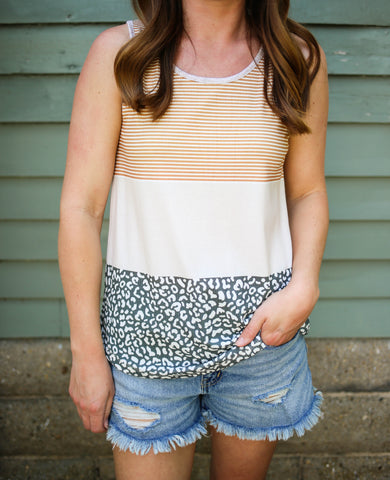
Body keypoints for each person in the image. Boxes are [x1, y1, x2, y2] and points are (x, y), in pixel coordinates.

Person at [58, 0, 329, 478]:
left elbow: (306, 191)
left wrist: (305, 284)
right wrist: (86, 351)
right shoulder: (121, 55)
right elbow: (82, 210)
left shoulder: (296, 58)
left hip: (263, 340)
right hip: (144, 341)